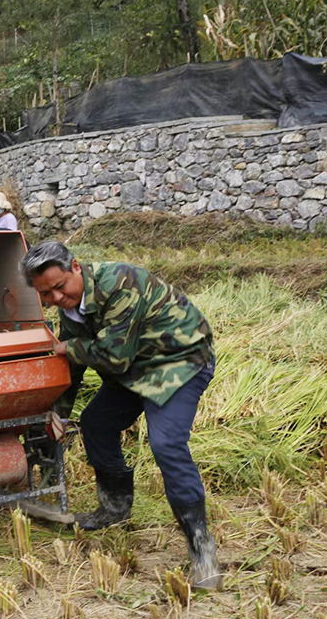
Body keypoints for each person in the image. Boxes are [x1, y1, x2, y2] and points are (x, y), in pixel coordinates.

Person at [19, 241, 220, 590]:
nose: (55, 298)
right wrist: (58, 413)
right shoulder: (68, 310)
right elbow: (73, 366)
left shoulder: (120, 283)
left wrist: (70, 346)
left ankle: (201, 547)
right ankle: (115, 508)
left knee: (166, 443)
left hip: (179, 361)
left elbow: (112, 358)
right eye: (45, 294)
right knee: (96, 423)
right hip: (134, 369)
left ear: (76, 267)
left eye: (60, 286)